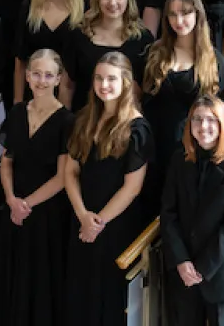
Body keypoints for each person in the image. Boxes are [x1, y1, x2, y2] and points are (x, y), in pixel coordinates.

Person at [63, 51, 153, 325]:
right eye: (99, 78)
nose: (104, 85)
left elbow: (132, 188)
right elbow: (70, 172)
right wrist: (82, 215)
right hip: (82, 220)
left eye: (112, 79)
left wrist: (98, 222)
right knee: (80, 291)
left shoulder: (138, 128)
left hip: (115, 224)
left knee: (110, 297)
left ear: (126, 82)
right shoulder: (84, 119)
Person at [0, 49, 77, 326]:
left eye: (48, 75)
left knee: (41, 276)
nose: (42, 80)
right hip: (13, 206)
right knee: (12, 272)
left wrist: (26, 204)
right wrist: (11, 199)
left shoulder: (67, 121)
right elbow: (6, 162)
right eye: (36, 74)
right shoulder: (17, 112)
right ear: (27, 77)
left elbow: (63, 177)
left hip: (47, 212)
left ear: (58, 79)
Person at [142, 0, 224, 212]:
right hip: (154, 144)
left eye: (185, 13)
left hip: (191, 149)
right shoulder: (155, 54)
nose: (179, 20)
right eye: (173, 14)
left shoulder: (215, 61)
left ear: (198, 15)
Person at [161, 95, 224, 326]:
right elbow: (168, 213)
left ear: (223, 124)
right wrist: (182, 261)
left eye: (212, 120)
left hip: (220, 274)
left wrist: (201, 268)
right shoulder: (179, 161)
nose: (204, 127)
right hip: (183, 272)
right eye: (197, 119)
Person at [67, 0, 155, 110]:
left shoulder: (143, 39)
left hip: (125, 122)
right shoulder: (79, 35)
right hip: (84, 119)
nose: (112, 3)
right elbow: (68, 86)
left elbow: (147, 90)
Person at [13, 0, 85, 104]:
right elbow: (20, 61)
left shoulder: (85, 10)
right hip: (34, 95)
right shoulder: (29, 6)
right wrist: (17, 102)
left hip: (73, 99)